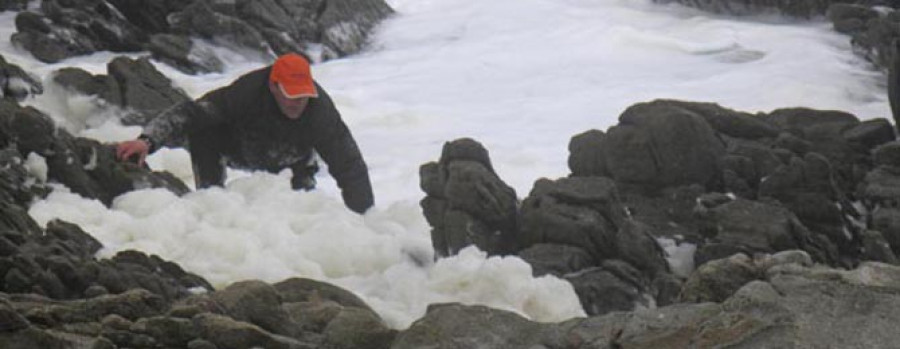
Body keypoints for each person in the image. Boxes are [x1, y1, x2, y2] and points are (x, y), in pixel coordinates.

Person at [116, 53, 374, 214]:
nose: (298, 102)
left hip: (291, 160)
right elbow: (190, 113)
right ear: (274, 87)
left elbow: (349, 166)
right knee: (205, 131)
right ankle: (211, 203)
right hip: (243, 146)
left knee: (298, 213)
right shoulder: (246, 94)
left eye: (304, 95)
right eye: (291, 95)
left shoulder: (320, 111)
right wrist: (146, 141)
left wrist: (367, 220)